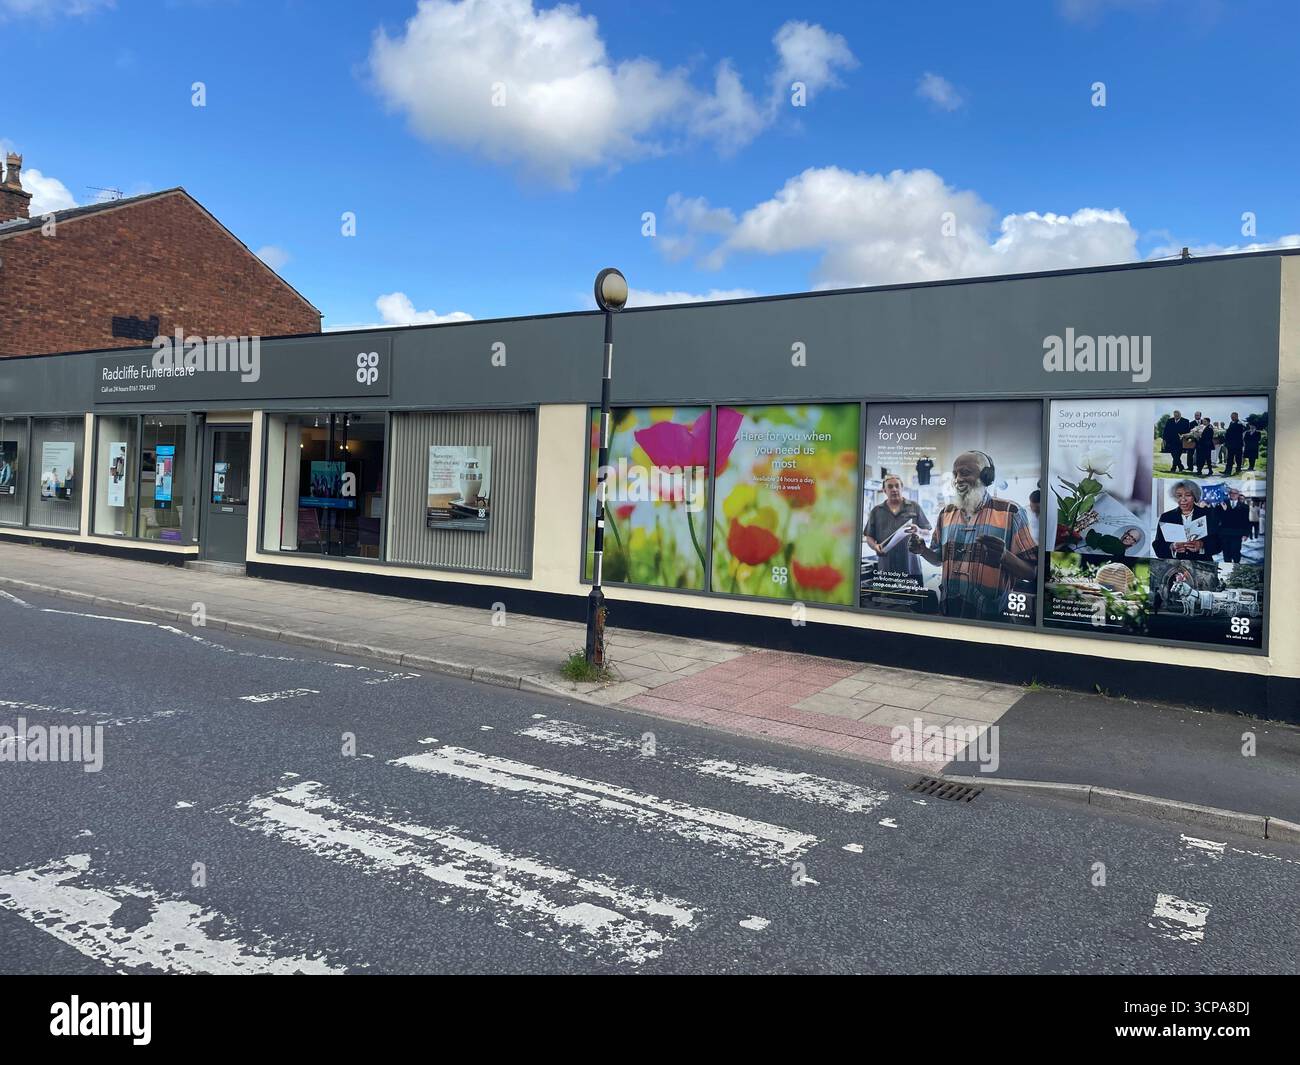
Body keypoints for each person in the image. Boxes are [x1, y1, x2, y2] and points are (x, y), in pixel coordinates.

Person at [908, 451, 1037, 621]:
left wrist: (1005, 557)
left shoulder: (1011, 512)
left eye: (966, 473)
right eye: (955, 474)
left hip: (991, 619)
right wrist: (922, 550)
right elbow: (938, 559)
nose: (958, 479)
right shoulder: (946, 513)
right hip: (949, 614)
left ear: (986, 476)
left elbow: (1032, 573)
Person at [864, 475, 931, 582]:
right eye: (890, 487)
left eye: (897, 486)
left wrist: (919, 530)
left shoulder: (914, 507)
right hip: (886, 569)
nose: (894, 489)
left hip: (911, 568)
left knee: (914, 597)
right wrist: (875, 546)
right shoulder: (876, 511)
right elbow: (869, 536)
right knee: (885, 598)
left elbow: (927, 533)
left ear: (902, 488)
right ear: (884, 490)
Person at [1153, 479, 1219, 562]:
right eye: (1179, 496)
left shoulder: (1208, 514)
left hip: (1202, 564)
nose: (1183, 499)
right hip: (1175, 564)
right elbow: (1158, 545)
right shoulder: (1166, 517)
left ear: (1194, 496)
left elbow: (1218, 543)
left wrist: (1202, 545)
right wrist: (1172, 546)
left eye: (1188, 495)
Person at [1216, 487, 1251, 562]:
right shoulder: (1222, 504)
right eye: (1231, 493)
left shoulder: (1244, 507)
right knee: (1226, 553)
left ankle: (1236, 566)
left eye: (1235, 493)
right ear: (1229, 494)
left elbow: (1246, 521)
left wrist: (1246, 534)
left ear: (1238, 495)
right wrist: (1222, 509)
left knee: (1236, 552)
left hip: (1237, 534)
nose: (1233, 495)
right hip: (1225, 533)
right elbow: (1218, 517)